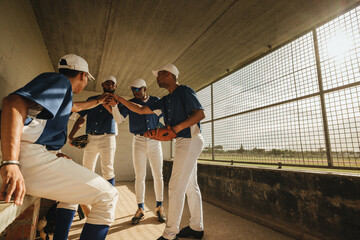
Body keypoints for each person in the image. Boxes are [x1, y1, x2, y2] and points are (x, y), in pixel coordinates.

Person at [0, 54, 118, 240]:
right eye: (87, 78)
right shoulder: (60, 81)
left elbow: (76, 107)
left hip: (32, 155)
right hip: (23, 156)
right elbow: (12, 102)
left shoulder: (62, 92)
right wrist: (10, 162)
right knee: (108, 196)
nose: (86, 83)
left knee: (72, 196)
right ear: (82, 75)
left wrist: (99, 101)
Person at [113, 63, 205, 240]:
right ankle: (196, 227)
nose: (157, 77)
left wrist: (175, 129)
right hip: (182, 140)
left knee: (175, 186)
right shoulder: (165, 99)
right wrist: (120, 99)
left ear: (170, 75)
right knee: (190, 186)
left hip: (190, 140)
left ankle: (170, 234)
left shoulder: (184, 91)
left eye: (160, 74)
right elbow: (140, 109)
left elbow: (199, 114)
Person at [111, 78, 166, 225]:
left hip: (155, 141)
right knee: (140, 176)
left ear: (144, 89)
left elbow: (164, 118)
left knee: (158, 175)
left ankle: (159, 207)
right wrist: (114, 106)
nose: (134, 92)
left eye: (137, 89)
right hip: (138, 141)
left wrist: (160, 131)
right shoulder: (128, 103)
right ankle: (140, 208)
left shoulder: (156, 100)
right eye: (132, 90)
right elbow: (118, 119)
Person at [68, 75, 118, 186]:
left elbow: (120, 118)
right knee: (87, 168)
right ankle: (86, 199)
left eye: (112, 84)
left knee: (108, 169)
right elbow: (81, 119)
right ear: (102, 85)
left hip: (108, 138)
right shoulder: (92, 100)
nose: (110, 85)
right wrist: (71, 135)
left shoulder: (118, 102)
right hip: (91, 138)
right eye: (107, 83)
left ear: (115, 86)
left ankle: (110, 198)